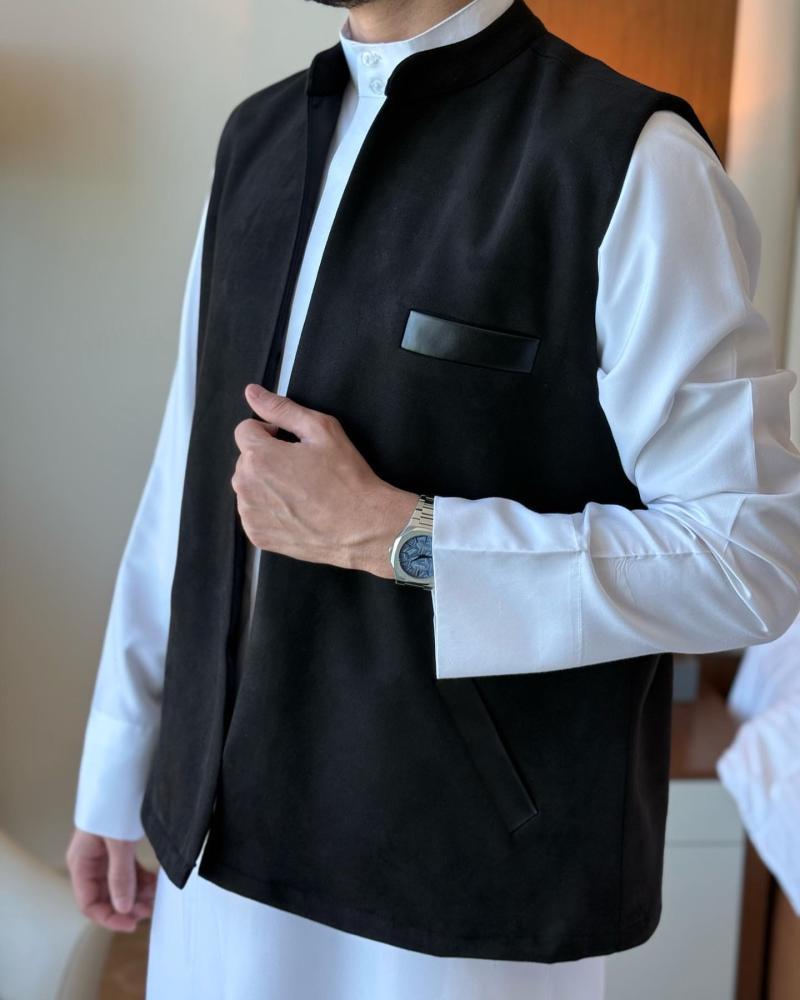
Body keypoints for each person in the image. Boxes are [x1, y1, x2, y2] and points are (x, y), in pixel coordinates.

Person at [66, 0, 800, 997]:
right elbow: (188, 477)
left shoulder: (630, 160)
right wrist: (120, 764)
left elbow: (750, 556)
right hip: (220, 859)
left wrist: (406, 537)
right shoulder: (257, 138)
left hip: (463, 899)